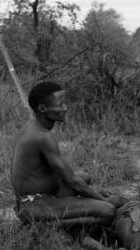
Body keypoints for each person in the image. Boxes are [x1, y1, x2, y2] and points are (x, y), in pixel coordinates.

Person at [11, 80, 117, 228]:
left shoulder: (33, 127)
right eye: (60, 105)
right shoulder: (42, 136)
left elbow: (70, 177)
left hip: (41, 195)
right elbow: (73, 181)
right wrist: (102, 200)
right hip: (36, 204)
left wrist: (91, 194)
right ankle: (44, 226)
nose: (65, 108)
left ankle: (52, 216)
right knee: (108, 211)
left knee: (84, 177)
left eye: (64, 104)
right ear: (42, 108)